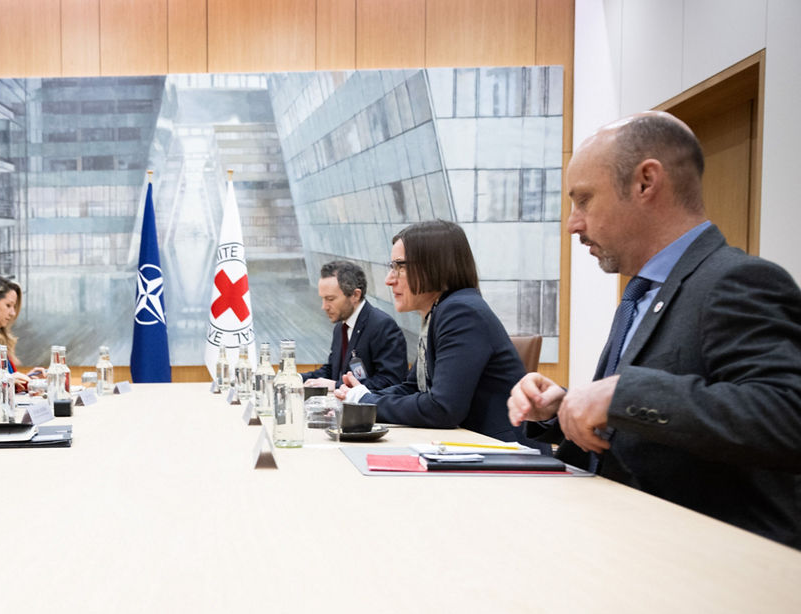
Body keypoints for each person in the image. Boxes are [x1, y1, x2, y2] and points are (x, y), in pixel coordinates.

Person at [508, 112, 801, 548]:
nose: (572, 223)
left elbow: (786, 415)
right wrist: (564, 408)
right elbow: (647, 421)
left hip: (701, 561)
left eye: (584, 200)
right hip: (616, 537)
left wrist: (620, 394)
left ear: (646, 182)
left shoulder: (738, 280)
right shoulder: (642, 293)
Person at [337, 220, 536, 447]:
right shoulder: (439, 312)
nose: (389, 279)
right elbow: (413, 387)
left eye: (400, 266)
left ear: (435, 266)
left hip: (504, 454)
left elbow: (443, 408)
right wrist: (362, 394)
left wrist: (367, 402)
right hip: (470, 447)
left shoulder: (461, 312)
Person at [301, 259, 405, 392]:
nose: (324, 307)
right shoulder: (340, 327)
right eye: (322, 299)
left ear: (355, 295)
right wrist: (296, 378)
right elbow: (331, 371)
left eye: (330, 299)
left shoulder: (383, 326)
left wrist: (337, 386)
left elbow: (391, 382)